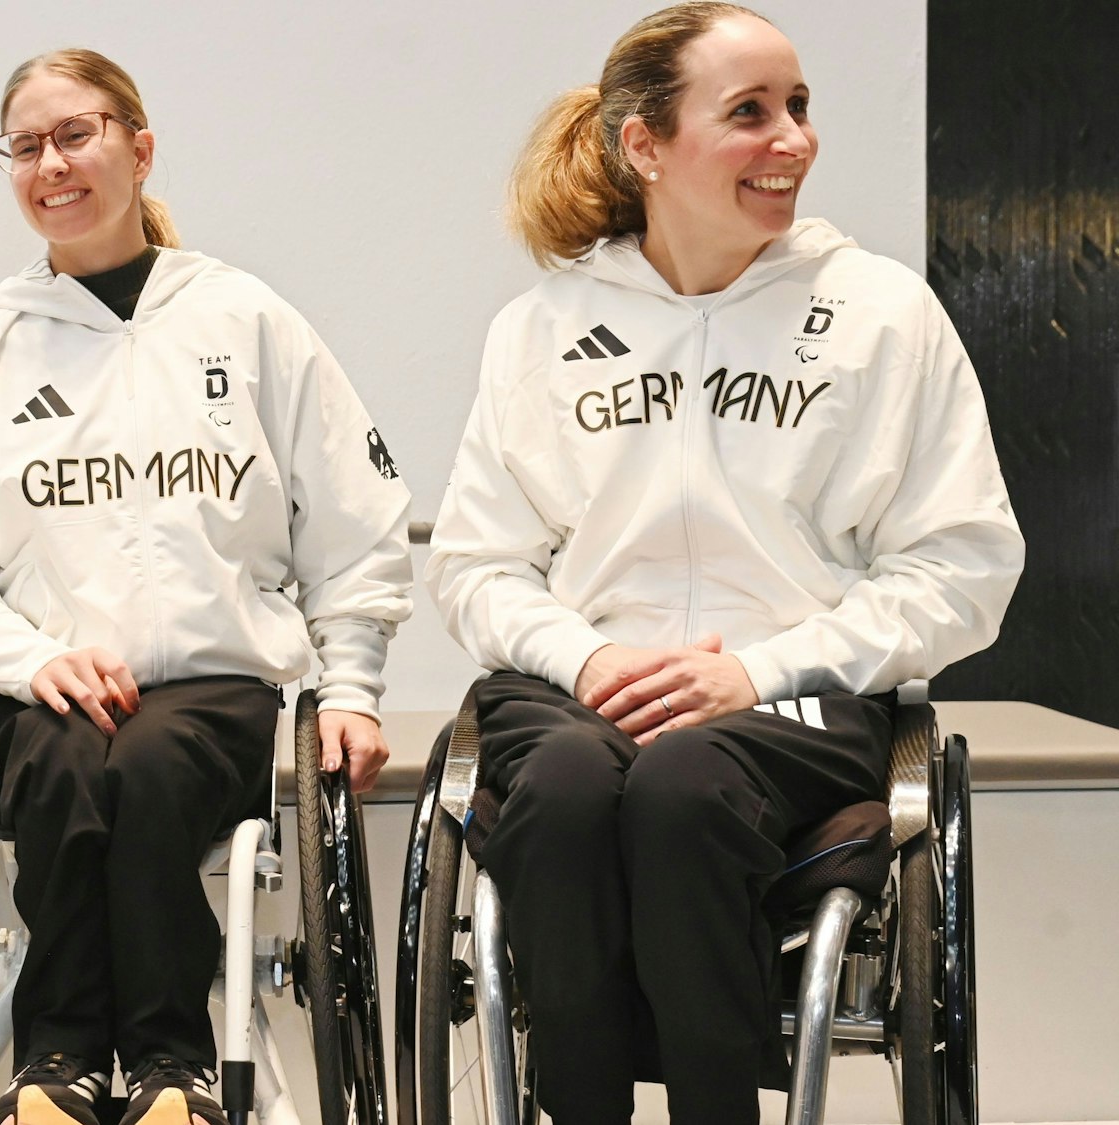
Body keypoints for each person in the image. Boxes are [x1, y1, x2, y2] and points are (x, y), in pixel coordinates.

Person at [425, 5, 1024, 1122]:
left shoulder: (880, 314)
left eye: (796, 108)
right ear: (643, 146)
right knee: (558, 787)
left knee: (682, 784)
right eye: (747, 113)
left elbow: (962, 564)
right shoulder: (539, 328)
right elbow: (474, 566)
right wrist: (590, 656)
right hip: (578, 688)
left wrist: (757, 671)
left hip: (798, 697)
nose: (789, 139)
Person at [0, 47, 413, 1125]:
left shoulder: (248, 323)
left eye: (77, 134)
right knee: (69, 770)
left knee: (155, 766)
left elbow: (351, 524)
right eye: (24, 146)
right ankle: (55, 1068)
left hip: (209, 686)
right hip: (33, 692)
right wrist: (29, 660)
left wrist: (349, 685)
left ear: (137, 145)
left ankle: (173, 1069)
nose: (51, 164)